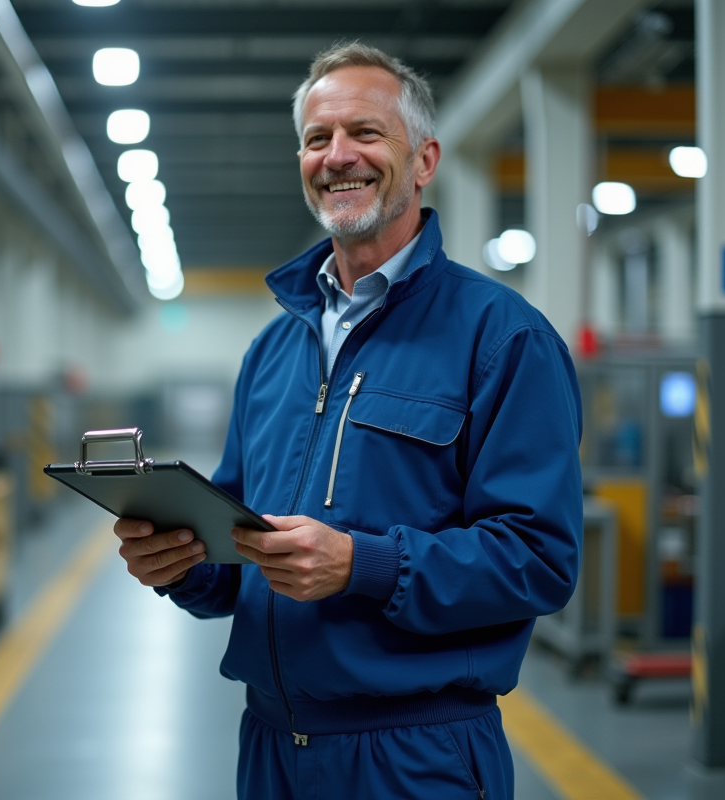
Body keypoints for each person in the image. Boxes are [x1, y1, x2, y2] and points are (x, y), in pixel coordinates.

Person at [114, 42, 582, 799]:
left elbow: (539, 559)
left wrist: (364, 564)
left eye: (365, 132)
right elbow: (237, 545)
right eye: (316, 138)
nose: (337, 157)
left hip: (415, 754)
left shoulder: (501, 338)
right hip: (271, 748)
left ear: (424, 160)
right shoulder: (274, 349)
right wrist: (181, 564)